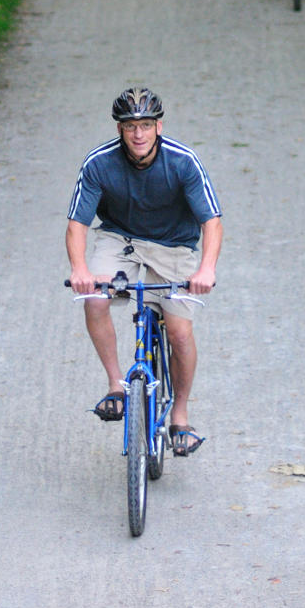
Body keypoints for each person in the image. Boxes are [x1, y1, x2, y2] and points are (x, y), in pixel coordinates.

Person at [66, 87, 222, 456]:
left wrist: (206, 269)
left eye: (146, 125)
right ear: (119, 129)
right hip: (122, 241)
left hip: (175, 247)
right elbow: (77, 224)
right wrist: (80, 269)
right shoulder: (99, 163)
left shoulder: (183, 161)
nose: (139, 134)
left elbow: (211, 222)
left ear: (159, 126)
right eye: (131, 125)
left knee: (180, 334)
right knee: (95, 299)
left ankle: (180, 417)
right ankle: (117, 386)